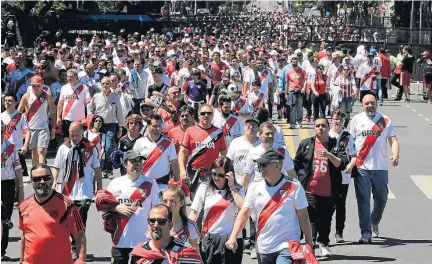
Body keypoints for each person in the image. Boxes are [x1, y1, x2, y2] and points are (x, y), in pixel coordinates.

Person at [225, 149, 313, 264]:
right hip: (263, 247)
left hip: (287, 245)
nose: (260, 167)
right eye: (259, 164)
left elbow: (303, 216)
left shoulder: (294, 186)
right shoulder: (254, 187)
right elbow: (244, 214)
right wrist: (233, 236)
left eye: (264, 164)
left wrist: (308, 241)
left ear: (277, 165)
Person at [294, 117, 348, 257]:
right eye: (317, 125)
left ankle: (323, 242)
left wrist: (328, 155)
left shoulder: (336, 144)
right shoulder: (306, 143)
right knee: (311, 218)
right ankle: (310, 246)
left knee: (325, 219)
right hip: (309, 190)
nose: (320, 128)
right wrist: (299, 179)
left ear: (328, 128)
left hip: (330, 191)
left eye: (323, 125)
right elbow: (297, 163)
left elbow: (342, 164)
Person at [348, 94, 399, 243]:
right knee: (363, 201)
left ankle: (374, 221)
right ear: (362, 105)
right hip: (361, 167)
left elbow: (394, 141)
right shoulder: (356, 120)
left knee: (381, 199)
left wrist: (395, 155)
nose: (370, 105)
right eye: (366, 103)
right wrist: (350, 162)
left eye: (372, 103)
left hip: (380, 168)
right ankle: (366, 233)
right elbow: (349, 142)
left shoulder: (385, 120)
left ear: (376, 104)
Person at [101, 150, 161, 264]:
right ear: (124, 164)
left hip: (144, 241)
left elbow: (157, 210)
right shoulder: (115, 183)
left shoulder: (150, 183)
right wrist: (116, 208)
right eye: (133, 161)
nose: (137, 164)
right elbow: (103, 206)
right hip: (120, 240)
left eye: (139, 161)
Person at [19, 163, 86, 264]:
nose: (42, 182)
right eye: (37, 179)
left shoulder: (67, 204)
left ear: (52, 179)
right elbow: (25, 235)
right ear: (31, 181)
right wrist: (21, 261)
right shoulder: (24, 206)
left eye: (46, 178)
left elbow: (79, 235)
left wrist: (81, 261)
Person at [189, 157, 245, 264]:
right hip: (209, 240)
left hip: (231, 240)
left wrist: (232, 187)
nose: (216, 178)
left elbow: (244, 210)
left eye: (220, 175)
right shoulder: (204, 187)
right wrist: (187, 233)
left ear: (229, 175)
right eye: (214, 174)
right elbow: (194, 213)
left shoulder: (238, 189)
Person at [178, 104, 227, 198]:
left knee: (211, 203)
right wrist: (182, 170)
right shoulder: (190, 131)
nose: (206, 115)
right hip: (194, 174)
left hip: (212, 174)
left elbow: (224, 154)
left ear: (212, 116)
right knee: (196, 205)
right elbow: (182, 152)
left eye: (209, 113)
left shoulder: (219, 133)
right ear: (198, 115)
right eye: (203, 113)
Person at [129, 204, 202, 264]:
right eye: (152, 221)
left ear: (170, 225)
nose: (156, 225)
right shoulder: (138, 254)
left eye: (161, 221)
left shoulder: (185, 251)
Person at [88, 76, 125, 179]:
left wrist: (120, 127)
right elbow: (90, 108)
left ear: (110, 84)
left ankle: (108, 170)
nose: (105, 85)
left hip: (111, 125)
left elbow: (120, 112)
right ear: (101, 84)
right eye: (103, 83)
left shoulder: (114, 96)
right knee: (96, 148)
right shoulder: (96, 96)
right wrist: (91, 119)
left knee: (108, 147)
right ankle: (94, 169)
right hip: (98, 125)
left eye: (107, 83)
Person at [329, 110, 357, 243]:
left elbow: (354, 156)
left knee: (340, 204)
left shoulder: (348, 137)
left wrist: (350, 166)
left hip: (343, 176)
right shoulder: (326, 135)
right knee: (328, 205)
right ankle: (324, 233)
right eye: (335, 119)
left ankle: (339, 232)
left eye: (340, 119)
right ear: (331, 120)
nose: (337, 121)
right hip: (328, 175)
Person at [242, 122, 296, 191]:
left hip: (278, 192)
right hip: (259, 192)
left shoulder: (282, 150)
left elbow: (291, 173)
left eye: (272, 133)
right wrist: (243, 195)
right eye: (267, 134)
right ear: (259, 134)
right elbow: (247, 176)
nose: (270, 136)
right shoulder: (253, 153)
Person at [133, 114, 179, 190]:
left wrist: (176, 182)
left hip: (163, 184)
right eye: (154, 126)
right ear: (148, 126)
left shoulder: (168, 142)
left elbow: (174, 162)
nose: (157, 128)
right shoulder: (139, 142)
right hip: (144, 185)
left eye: (159, 126)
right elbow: (133, 163)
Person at [17, 75, 56, 165]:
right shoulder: (26, 96)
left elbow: (53, 110)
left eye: (38, 85)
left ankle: (42, 171)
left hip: (43, 126)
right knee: (34, 152)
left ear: (42, 85)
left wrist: (53, 128)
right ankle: (34, 174)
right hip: (30, 127)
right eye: (34, 85)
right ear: (31, 85)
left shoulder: (46, 96)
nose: (36, 88)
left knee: (41, 150)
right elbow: (19, 112)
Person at [1, 122, 24, 261]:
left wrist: (20, 188)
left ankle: (1, 251)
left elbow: (18, 169)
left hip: (7, 185)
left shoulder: (10, 148)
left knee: (5, 219)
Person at [1, 93, 30, 177]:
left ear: (16, 103)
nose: (7, 102)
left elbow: (27, 131)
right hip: (4, 151)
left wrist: (25, 145)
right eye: (6, 100)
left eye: (10, 101)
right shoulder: (1, 116)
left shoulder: (21, 116)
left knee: (20, 177)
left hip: (17, 150)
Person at [56, 69, 91, 138]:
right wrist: (58, 117)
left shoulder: (84, 88)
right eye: (67, 76)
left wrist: (88, 117)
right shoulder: (64, 88)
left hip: (79, 120)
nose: (68, 78)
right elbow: (60, 104)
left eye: (71, 76)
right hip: (66, 119)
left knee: (78, 139)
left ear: (76, 77)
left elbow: (88, 104)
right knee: (66, 139)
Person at [226, 117, 261, 186]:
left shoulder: (262, 144)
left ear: (258, 129)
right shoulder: (236, 142)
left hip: (256, 186)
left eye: (254, 125)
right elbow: (228, 161)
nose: (251, 127)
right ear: (244, 127)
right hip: (237, 184)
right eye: (248, 125)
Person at [285, 56, 307, 128]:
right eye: (293, 61)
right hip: (292, 91)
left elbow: (305, 80)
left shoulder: (302, 71)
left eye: (295, 61)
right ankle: (292, 123)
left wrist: (304, 88)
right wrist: (286, 93)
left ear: (297, 62)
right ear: (291, 63)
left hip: (300, 90)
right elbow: (287, 83)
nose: (294, 62)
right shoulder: (289, 72)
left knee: (300, 108)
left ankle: (299, 122)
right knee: (292, 107)